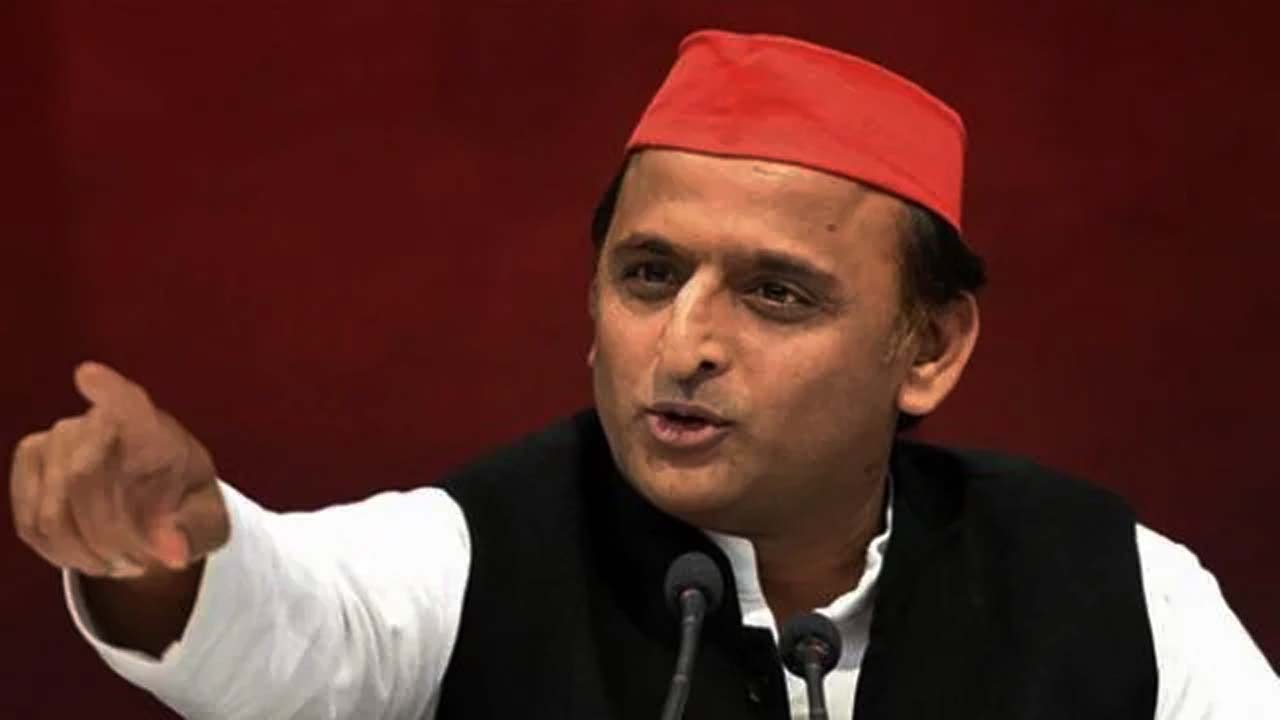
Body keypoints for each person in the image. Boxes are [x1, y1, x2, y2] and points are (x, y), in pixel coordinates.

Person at [9, 28, 1278, 720]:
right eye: (649, 275)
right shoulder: (482, 548)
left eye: (775, 293)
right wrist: (163, 554)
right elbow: (299, 620)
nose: (682, 345)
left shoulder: (1110, 585)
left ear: (930, 350)